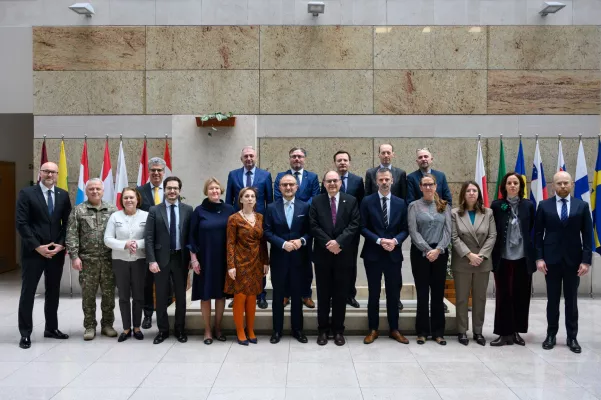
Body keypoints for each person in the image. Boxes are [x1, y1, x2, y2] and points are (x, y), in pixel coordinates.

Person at [535, 171, 593, 354]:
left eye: (566, 183)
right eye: (559, 183)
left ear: (572, 184)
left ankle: (572, 337)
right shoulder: (544, 206)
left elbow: (587, 235)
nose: (562, 186)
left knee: (572, 300)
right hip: (550, 261)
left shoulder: (581, 206)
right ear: (553, 185)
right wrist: (539, 257)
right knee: (552, 300)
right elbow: (537, 234)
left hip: (573, 261)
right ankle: (551, 334)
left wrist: (586, 261)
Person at [16, 162, 72, 349]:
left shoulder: (63, 195)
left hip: (55, 252)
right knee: (28, 292)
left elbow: (67, 224)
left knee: (53, 291)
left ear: (57, 174)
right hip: (33, 253)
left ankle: (51, 328)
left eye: (53, 172)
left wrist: (61, 245)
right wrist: (37, 246)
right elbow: (22, 223)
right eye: (46, 171)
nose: (49, 174)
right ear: (40, 173)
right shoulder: (27, 193)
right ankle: (25, 333)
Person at [310, 171, 361, 346]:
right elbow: (313, 225)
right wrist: (329, 243)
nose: (332, 183)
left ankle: (338, 330)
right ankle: (323, 330)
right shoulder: (317, 201)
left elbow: (354, 224)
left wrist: (338, 242)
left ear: (340, 182)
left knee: (340, 294)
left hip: (343, 254)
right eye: (328, 181)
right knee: (323, 295)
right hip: (323, 255)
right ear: (323, 183)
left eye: (335, 180)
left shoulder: (351, 200)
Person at [360, 168, 409, 345]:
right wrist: (380, 240)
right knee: (373, 293)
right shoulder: (367, 201)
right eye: (380, 180)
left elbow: (406, 229)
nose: (384, 182)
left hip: (393, 254)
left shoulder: (401, 203)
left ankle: (394, 329)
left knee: (393, 294)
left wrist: (395, 241)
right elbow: (363, 227)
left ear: (392, 181)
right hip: (373, 254)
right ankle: (373, 329)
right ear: (376, 182)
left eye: (387, 179)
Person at [66, 178, 118, 341]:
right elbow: (72, 234)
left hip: (109, 260)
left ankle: (107, 325)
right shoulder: (78, 210)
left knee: (109, 296)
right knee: (88, 296)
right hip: (87, 261)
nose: (95, 191)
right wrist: (74, 256)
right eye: (91, 189)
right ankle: (89, 326)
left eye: (98, 189)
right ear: (86, 191)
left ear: (103, 191)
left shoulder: (112, 209)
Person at [144, 176, 193, 345]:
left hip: (180, 259)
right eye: (169, 188)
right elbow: (149, 237)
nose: (172, 191)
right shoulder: (154, 210)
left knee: (180, 296)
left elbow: (190, 236)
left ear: (179, 191)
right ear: (164, 190)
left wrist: (192, 258)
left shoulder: (188, 209)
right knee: (162, 296)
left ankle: (180, 329)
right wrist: (151, 260)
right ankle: (163, 330)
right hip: (160, 260)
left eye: (175, 188)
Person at [264, 174, 311, 344]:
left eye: (291, 184)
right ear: (280, 188)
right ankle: (277, 331)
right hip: (279, 258)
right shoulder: (271, 208)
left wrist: (301, 241)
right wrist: (283, 244)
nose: (288, 187)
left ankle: (297, 330)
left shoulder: (305, 207)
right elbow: (267, 232)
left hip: (299, 259)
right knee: (278, 297)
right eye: (285, 185)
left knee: (298, 295)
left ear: (297, 187)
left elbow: (310, 231)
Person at [490, 172, 536, 347]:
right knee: (503, 296)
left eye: (516, 183)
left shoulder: (528, 206)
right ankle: (503, 333)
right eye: (509, 183)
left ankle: (516, 332)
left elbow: (531, 227)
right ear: (504, 186)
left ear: (520, 186)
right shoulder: (496, 205)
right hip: (503, 258)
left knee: (520, 296)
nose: (512, 186)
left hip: (523, 258)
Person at [225, 146, 273, 309]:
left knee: (259, 256)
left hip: (259, 222)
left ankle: (261, 294)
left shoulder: (265, 175)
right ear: (241, 158)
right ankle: (236, 294)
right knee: (239, 259)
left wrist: (267, 221)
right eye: (246, 156)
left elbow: (269, 201)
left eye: (251, 155)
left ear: (256, 157)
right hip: (240, 222)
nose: (249, 158)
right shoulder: (233, 175)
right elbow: (228, 201)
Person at [188, 178, 234, 345]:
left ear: (221, 190)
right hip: (204, 260)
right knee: (206, 296)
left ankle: (218, 327)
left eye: (216, 188)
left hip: (223, 260)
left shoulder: (230, 210)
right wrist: (194, 260)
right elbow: (191, 237)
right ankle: (207, 329)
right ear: (206, 191)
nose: (214, 191)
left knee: (221, 296)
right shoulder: (198, 211)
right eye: (211, 189)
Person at [451, 181, 496, 346]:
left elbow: (492, 236)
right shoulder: (455, 213)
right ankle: (462, 331)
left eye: (474, 191)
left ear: (479, 194)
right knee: (462, 299)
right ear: (463, 194)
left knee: (480, 298)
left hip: (482, 262)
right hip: (462, 261)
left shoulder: (488, 213)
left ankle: (478, 331)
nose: (471, 193)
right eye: (468, 190)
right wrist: (469, 255)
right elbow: (454, 237)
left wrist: (481, 255)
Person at [274, 147, 320, 309]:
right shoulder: (281, 177)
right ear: (289, 158)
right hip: (284, 226)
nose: (297, 159)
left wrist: (299, 208)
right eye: (294, 156)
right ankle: (286, 294)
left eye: (300, 156)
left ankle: (305, 295)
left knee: (306, 264)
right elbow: (278, 197)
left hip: (304, 224)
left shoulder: (312, 177)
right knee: (285, 264)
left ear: (304, 159)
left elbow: (315, 197)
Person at [408, 173, 451, 345]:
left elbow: (448, 231)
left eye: (431, 184)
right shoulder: (414, 206)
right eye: (424, 184)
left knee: (438, 294)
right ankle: (422, 332)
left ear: (436, 186)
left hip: (440, 254)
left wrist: (438, 249)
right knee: (423, 293)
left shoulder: (444, 206)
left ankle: (438, 332)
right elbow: (413, 231)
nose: (428, 187)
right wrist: (427, 250)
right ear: (420, 187)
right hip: (420, 254)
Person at [365, 143, 408, 310]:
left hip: (395, 231)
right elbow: (368, 197)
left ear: (393, 154)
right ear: (379, 155)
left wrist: (395, 239)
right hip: (375, 230)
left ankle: (396, 299)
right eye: (383, 152)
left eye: (388, 152)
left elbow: (403, 199)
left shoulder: (401, 173)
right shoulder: (370, 173)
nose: (385, 155)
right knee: (374, 286)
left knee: (394, 276)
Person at [225, 187, 270, 345]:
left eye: (252, 196)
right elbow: (230, 243)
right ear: (241, 199)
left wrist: (266, 261)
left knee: (252, 297)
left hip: (256, 262)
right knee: (240, 297)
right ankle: (240, 331)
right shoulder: (234, 218)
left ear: (256, 200)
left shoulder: (260, 218)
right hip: (239, 262)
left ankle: (250, 329)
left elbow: (263, 242)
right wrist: (231, 265)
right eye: (246, 196)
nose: (250, 199)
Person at [104, 187, 148, 342]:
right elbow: (108, 239)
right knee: (123, 296)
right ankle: (126, 328)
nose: (129, 200)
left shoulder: (146, 216)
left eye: (132, 198)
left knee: (138, 296)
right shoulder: (115, 217)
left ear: (137, 200)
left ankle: (137, 327)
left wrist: (137, 243)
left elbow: (150, 238)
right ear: (121, 201)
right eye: (125, 198)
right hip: (120, 261)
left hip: (139, 261)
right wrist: (125, 244)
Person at [321, 150, 365, 309]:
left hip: (350, 233)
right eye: (339, 160)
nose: (342, 163)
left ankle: (349, 295)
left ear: (349, 162)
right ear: (335, 163)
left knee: (350, 265)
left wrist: (353, 229)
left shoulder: (357, 181)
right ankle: (334, 296)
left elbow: (361, 206)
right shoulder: (328, 180)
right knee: (332, 266)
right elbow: (323, 205)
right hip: (331, 234)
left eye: (345, 160)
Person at [137, 157, 167, 329]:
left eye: (159, 170)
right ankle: (147, 315)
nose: (156, 173)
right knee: (147, 282)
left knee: (167, 282)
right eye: (153, 170)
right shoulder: (140, 191)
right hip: (146, 243)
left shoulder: (171, 189)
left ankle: (166, 313)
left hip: (167, 244)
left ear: (164, 172)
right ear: (149, 172)